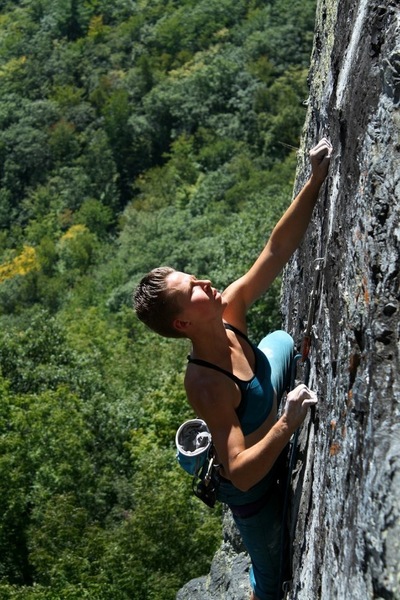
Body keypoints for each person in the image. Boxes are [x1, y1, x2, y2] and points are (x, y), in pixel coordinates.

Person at [133, 138, 332, 600]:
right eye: (193, 289)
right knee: (272, 577)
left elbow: (276, 250)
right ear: (183, 322)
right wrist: (288, 423)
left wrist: (316, 179)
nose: (204, 281)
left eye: (193, 276)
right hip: (253, 492)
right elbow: (240, 472)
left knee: (279, 343)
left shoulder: (229, 312)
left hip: (263, 401)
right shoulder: (205, 385)